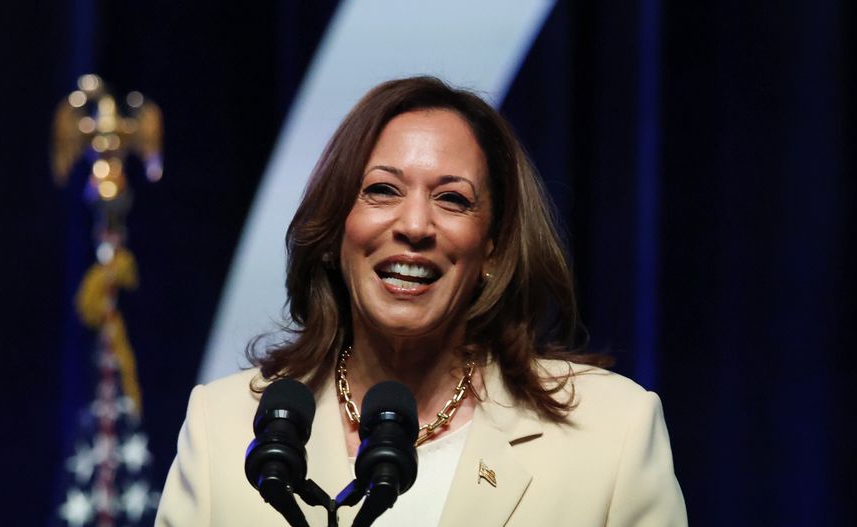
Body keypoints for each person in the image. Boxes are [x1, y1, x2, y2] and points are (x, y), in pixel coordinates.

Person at [156, 76, 687, 526]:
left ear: (494, 248)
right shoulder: (222, 427)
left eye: (452, 199)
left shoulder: (612, 433)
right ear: (336, 228)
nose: (414, 226)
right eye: (382, 190)